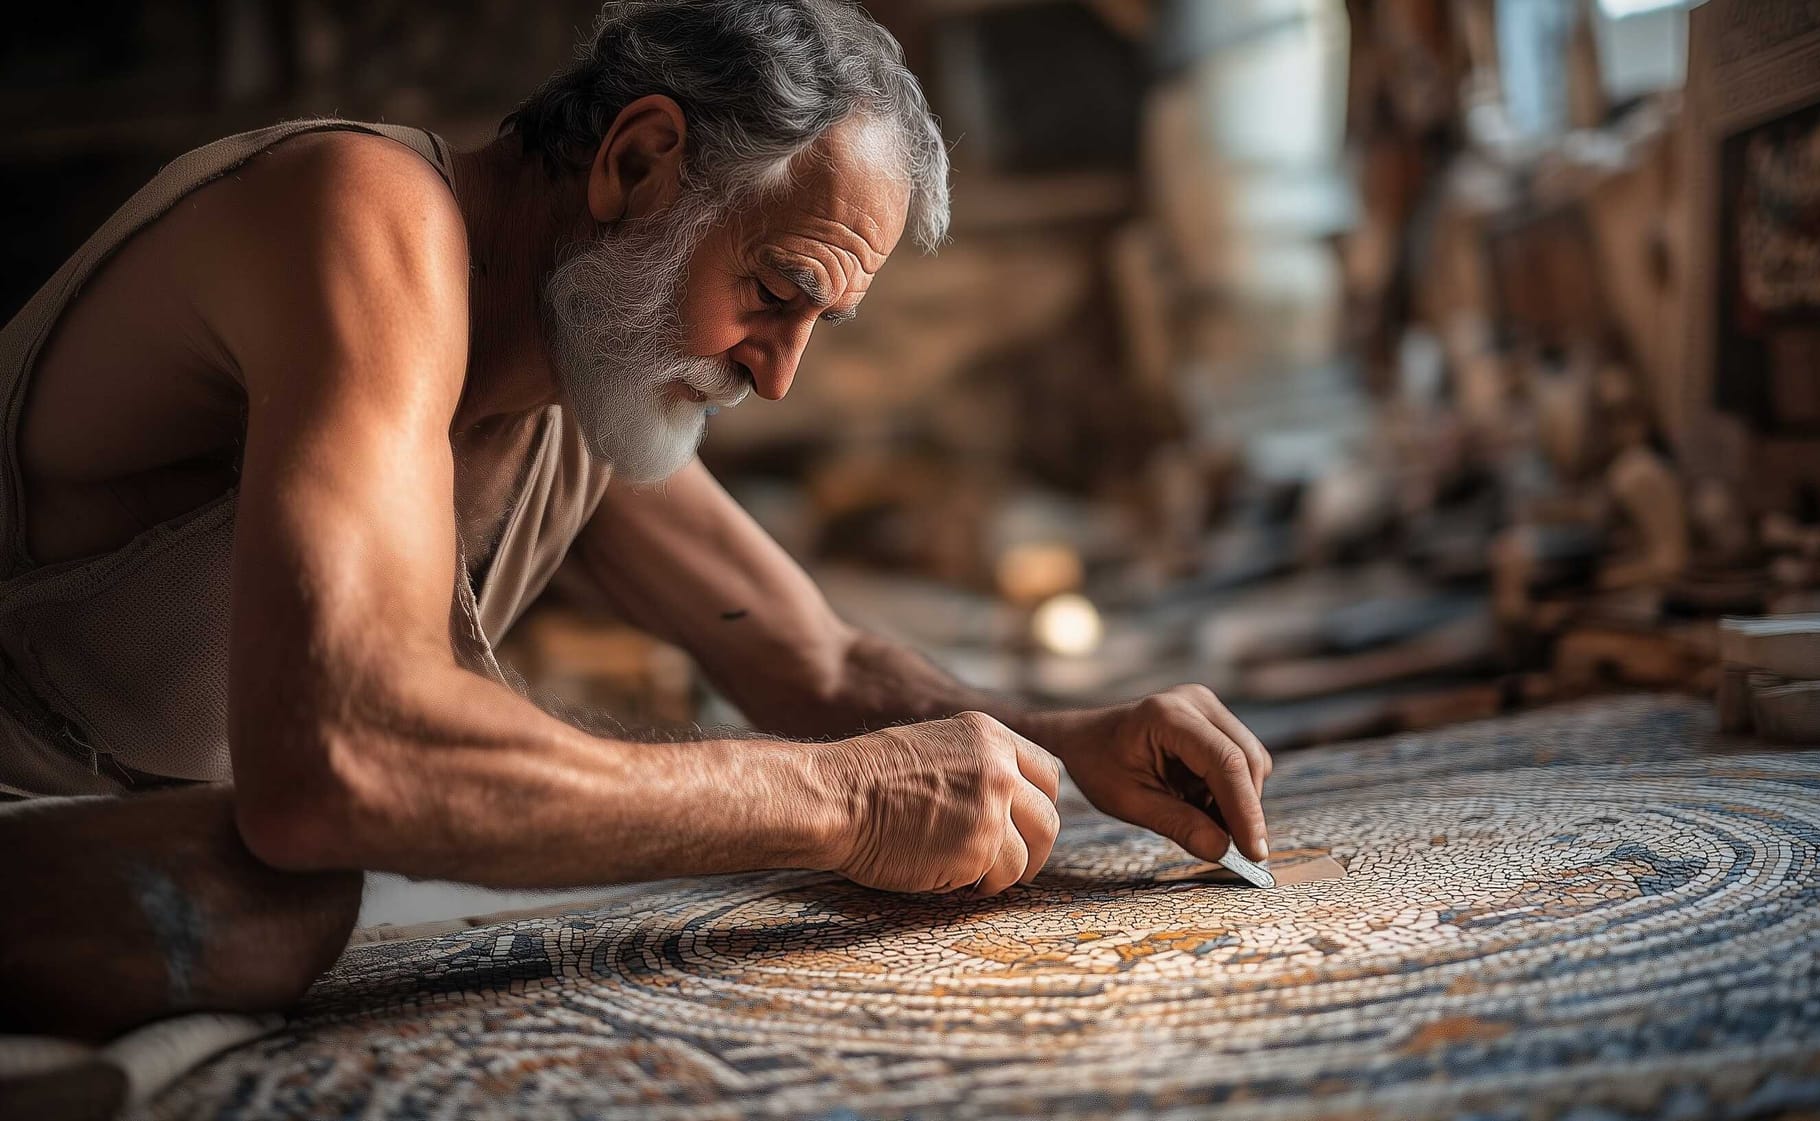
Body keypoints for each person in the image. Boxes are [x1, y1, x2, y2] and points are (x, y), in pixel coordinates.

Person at [0, 0, 1271, 1040]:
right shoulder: (359, 218)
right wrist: (840, 800)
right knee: (261, 900)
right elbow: (346, 760)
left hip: (124, 824)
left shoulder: (577, 367)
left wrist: (1058, 742)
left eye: (817, 325)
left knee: (286, 890)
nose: (777, 375)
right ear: (638, 160)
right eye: (776, 293)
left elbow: (813, 660)